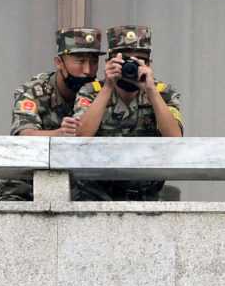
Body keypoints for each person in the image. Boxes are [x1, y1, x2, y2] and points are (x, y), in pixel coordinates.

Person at [72, 25, 182, 201]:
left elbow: (175, 138)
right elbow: (81, 136)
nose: (130, 67)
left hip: (148, 197)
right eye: (124, 61)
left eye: (138, 61)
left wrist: (151, 91)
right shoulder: (91, 92)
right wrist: (108, 86)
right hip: (96, 197)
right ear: (109, 63)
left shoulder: (163, 93)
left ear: (149, 64)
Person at [0, 27, 104, 201]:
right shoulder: (34, 91)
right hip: (28, 184)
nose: (88, 70)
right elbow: (25, 135)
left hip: (82, 186)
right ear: (59, 62)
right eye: (80, 61)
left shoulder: (100, 94)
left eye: (94, 62)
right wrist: (60, 134)